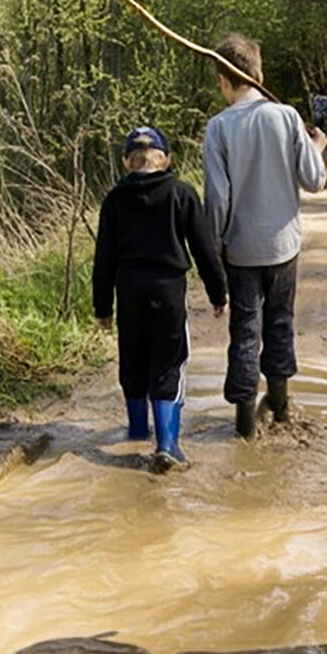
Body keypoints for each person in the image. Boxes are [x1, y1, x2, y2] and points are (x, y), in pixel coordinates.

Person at [203, 35, 327, 440]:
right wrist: (318, 146)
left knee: (245, 332)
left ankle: (243, 428)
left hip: (240, 250)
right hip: (284, 247)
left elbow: (218, 198)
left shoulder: (218, 128)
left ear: (224, 80)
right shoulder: (287, 117)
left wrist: (216, 244)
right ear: (258, 74)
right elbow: (314, 179)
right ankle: (282, 409)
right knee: (280, 325)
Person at [93, 126, 227, 472]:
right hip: (168, 290)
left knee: (133, 359)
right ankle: (168, 445)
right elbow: (204, 248)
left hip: (128, 289)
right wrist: (218, 292)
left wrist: (102, 308)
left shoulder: (114, 200)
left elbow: (104, 258)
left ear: (127, 162)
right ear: (165, 160)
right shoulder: (181, 193)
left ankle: (137, 433)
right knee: (169, 362)